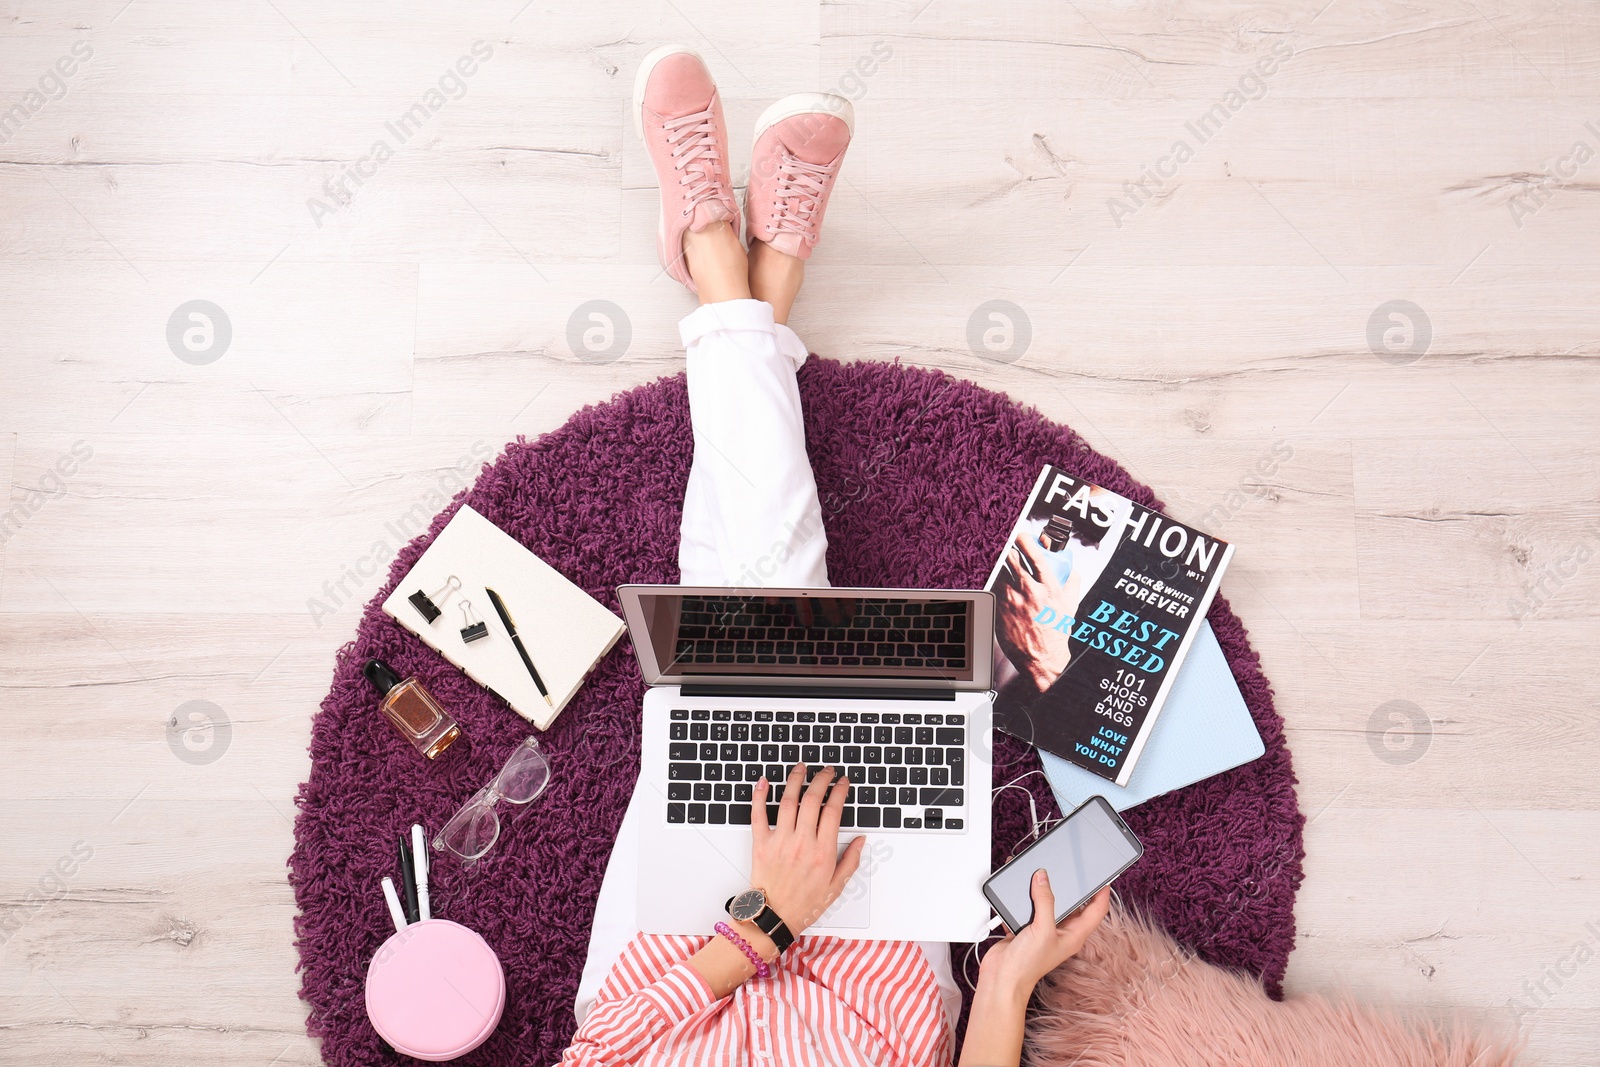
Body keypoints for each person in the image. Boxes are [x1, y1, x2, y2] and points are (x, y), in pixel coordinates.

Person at [559, 45, 1111, 1067]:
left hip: (687, 969)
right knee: (758, 614)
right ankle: (743, 284)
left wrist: (765, 920)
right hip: (879, 1000)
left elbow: (597, 1054)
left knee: (759, 631)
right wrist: (1006, 976)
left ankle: (724, 264)